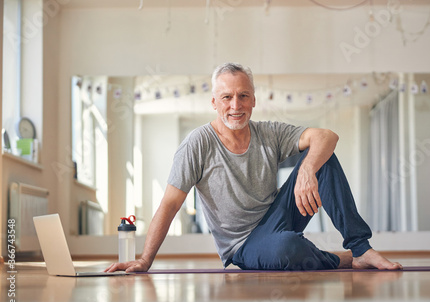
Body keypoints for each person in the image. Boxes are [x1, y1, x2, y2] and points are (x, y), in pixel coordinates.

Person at [106, 63, 402, 273]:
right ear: (214, 102)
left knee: (324, 157)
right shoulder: (197, 143)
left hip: (277, 218)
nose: (236, 105)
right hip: (244, 245)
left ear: (253, 100)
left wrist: (308, 168)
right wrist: (145, 259)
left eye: (243, 95)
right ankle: (346, 260)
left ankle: (361, 248)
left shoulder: (268, 133)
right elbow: (170, 203)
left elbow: (327, 136)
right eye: (227, 97)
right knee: (287, 248)